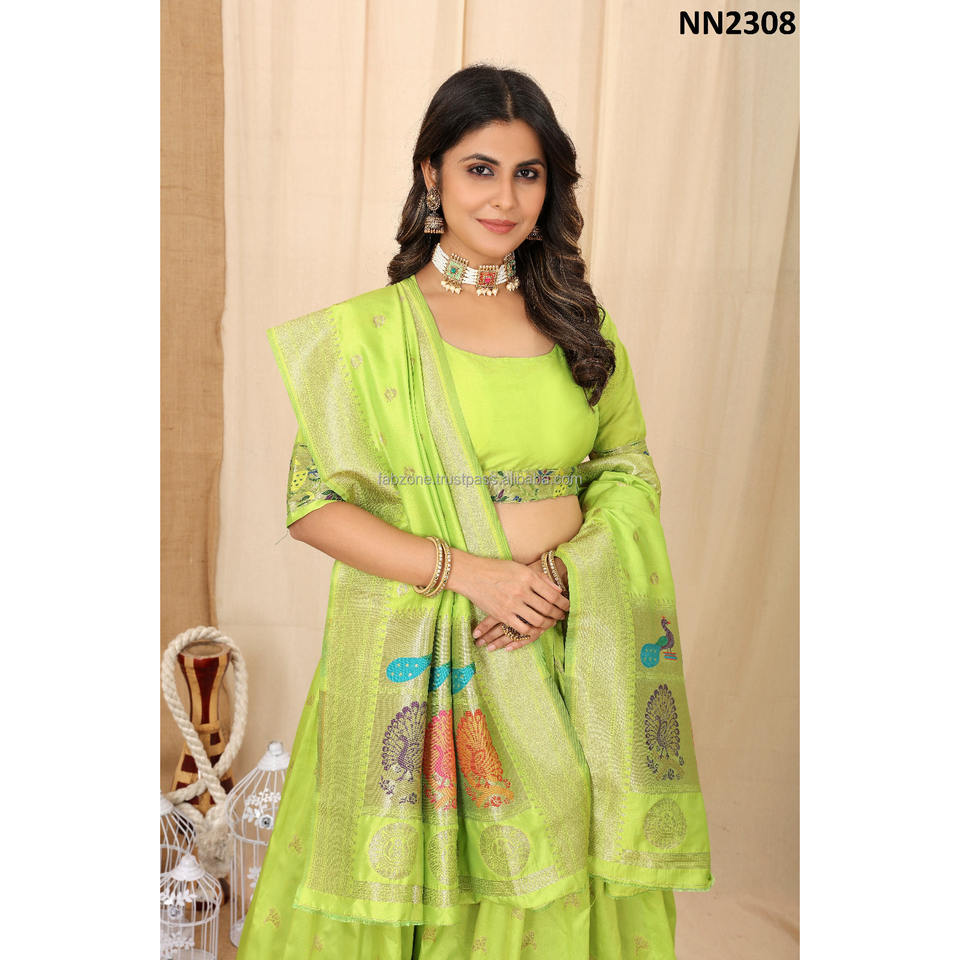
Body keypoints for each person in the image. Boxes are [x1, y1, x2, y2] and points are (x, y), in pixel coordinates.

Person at [237, 64, 712, 960]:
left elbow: (626, 467)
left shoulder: (580, 324)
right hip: (432, 656)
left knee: (565, 866)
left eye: (527, 173)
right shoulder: (371, 335)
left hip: (568, 642)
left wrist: (569, 574)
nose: (504, 198)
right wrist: (473, 576)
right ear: (433, 175)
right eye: (479, 169)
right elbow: (312, 506)